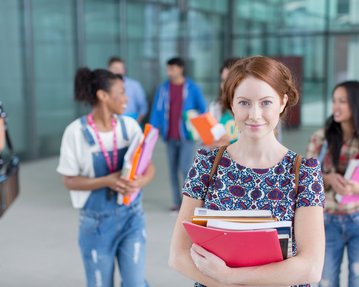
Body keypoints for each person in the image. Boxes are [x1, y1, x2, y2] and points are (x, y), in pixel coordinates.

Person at [169, 56, 325, 287]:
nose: (254, 114)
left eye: (265, 102)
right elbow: (179, 256)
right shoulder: (206, 163)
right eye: (244, 102)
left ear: (282, 102)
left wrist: (229, 277)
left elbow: (310, 267)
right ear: (231, 103)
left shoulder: (303, 172)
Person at [57, 68, 155, 287]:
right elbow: (69, 180)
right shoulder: (75, 133)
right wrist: (107, 180)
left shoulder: (129, 127)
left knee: (136, 283)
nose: (126, 97)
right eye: (121, 92)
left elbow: (149, 167)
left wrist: (141, 181)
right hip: (96, 224)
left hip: (132, 217)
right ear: (103, 95)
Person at [306, 81, 359, 287]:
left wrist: (354, 188)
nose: (335, 106)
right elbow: (305, 178)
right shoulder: (321, 138)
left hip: (357, 218)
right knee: (326, 281)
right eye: (334, 100)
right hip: (327, 221)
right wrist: (327, 178)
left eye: (342, 101)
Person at [149, 57, 207, 212]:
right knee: (172, 170)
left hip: (186, 137)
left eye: (172, 69)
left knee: (185, 168)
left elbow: (203, 110)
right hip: (169, 136)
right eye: (168, 69)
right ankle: (177, 202)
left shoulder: (192, 88)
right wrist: (151, 133)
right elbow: (156, 111)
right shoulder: (163, 89)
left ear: (180, 69)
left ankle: (187, 203)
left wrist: (203, 132)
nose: (169, 72)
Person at [208, 58, 240, 148]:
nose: (225, 85)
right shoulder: (215, 108)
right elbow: (212, 146)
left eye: (229, 80)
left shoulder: (254, 108)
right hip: (223, 159)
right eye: (223, 80)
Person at [108, 56, 148, 123]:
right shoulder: (104, 86)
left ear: (124, 70)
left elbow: (143, 107)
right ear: (108, 69)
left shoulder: (135, 85)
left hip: (132, 120)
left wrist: (136, 122)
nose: (118, 71)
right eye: (115, 68)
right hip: (111, 122)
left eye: (121, 68)